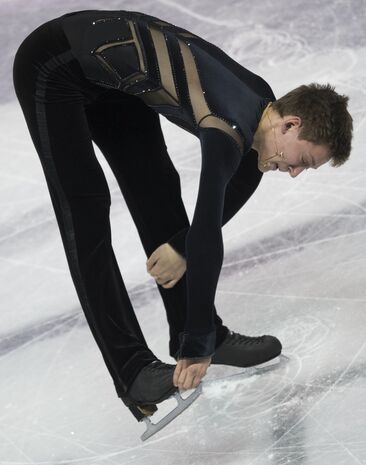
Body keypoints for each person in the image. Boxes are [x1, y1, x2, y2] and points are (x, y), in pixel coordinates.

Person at [12, 9, 353, 423]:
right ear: (291, 124)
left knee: (155, 182)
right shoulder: (227, 127)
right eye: (304, 160)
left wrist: (179, 248)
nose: (295, 173)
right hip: (54, 63)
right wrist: (197, 346)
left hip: (113, 75)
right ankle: (132, 370)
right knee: (85, 207)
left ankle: (205, 327)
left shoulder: (263, 107)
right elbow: (208, 228)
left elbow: (243, 181)